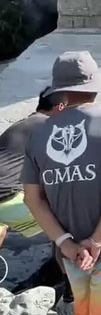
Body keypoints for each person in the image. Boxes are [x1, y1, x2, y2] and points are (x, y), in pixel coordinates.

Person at [21, 50, 101, 315]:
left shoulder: (39, 133)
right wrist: (97, 241)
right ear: (94, 86)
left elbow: (32, 198)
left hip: (68, 250)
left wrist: (66, 243)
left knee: (83, 309)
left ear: (61, 91)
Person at [0, 88, 67, 248]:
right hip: (10, 200)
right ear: (61, 108)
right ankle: (64, 268)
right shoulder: (50, 128)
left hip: (4, 200)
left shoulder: (20, 125)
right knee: (69, 216)